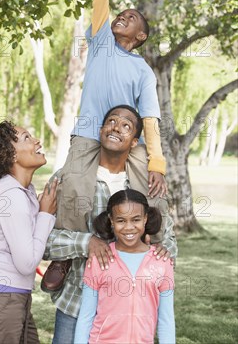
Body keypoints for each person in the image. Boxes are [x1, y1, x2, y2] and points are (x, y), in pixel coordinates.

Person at [42, 0, 168, 292]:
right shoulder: (99, 43)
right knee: (72, 186)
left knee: (140, 193)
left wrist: (157, 163)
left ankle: (148, 249)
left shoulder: (143, 72)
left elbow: (148, 119)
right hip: (89, 133)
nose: (122, 17)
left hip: (128, 140)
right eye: (121, 14)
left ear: (141, 36)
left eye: (130, 19)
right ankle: (64, 257)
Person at [43, 105, 177, 344]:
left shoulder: (146, 185)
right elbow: (41, 237)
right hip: (77, 298)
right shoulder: (68, 178)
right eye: (112, 121)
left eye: (127, 126)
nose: (117, 127)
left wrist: (167, 249)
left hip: (124, 307)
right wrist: (86, 242)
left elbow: (168, 239)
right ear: (102, 130)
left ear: (134, 142)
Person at [0, 121, 57, 344]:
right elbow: (26, 263)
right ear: (10, 155)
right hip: (0, 301)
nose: (37, 141)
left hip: (9, 298)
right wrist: (45, 214)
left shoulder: (19, 192)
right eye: (26, 138)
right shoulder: (12, 198)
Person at [74, 188, 175, 344]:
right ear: (111, 221)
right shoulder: (99, 260)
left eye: (136, 219)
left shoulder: (162, 262)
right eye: (121, 220)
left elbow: (166, 320)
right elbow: (86, 316)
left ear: (145, 219)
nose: (129, 227)